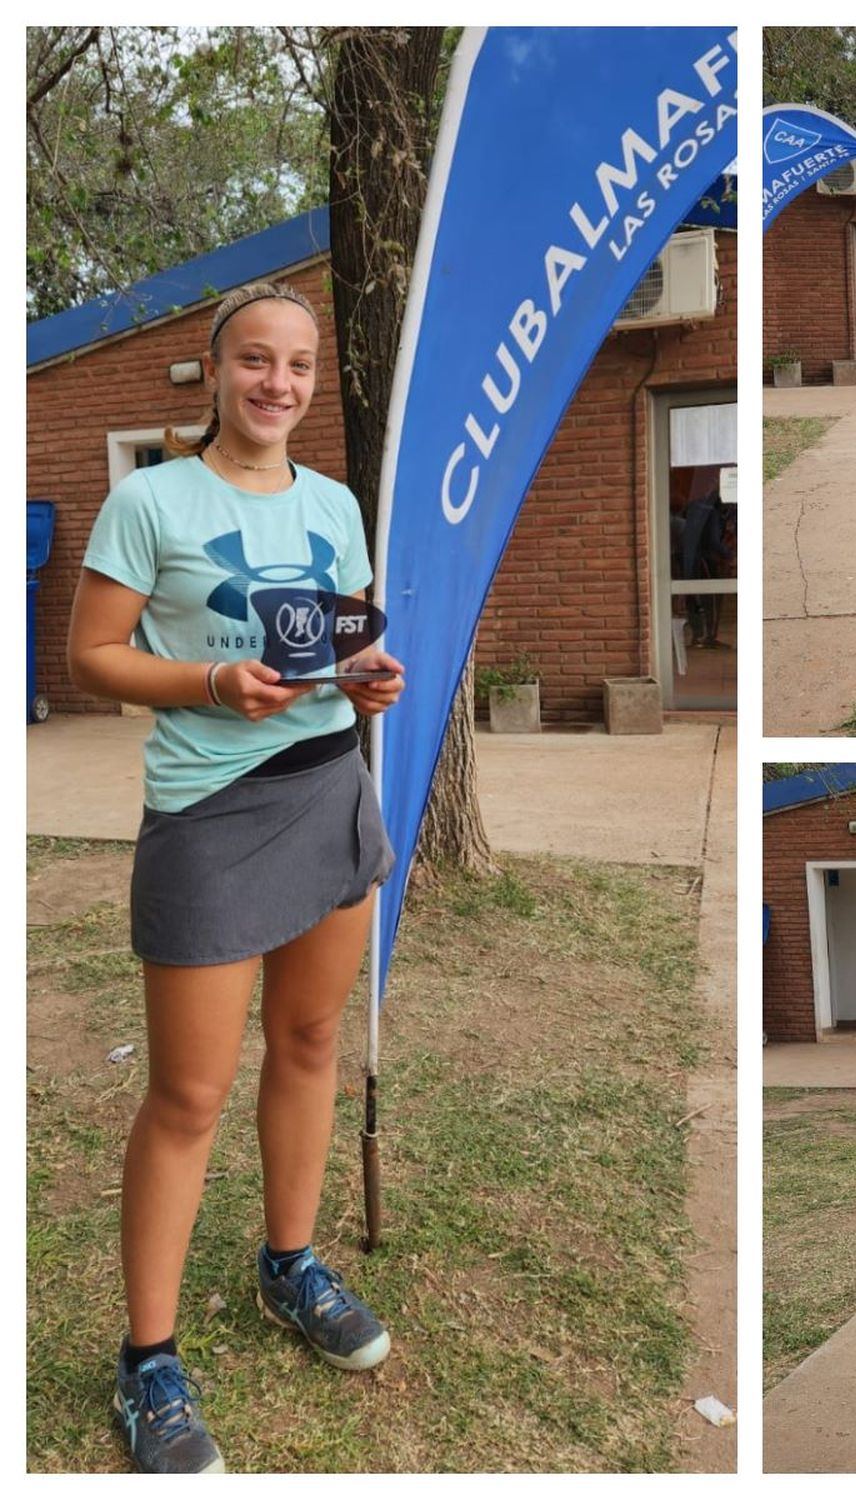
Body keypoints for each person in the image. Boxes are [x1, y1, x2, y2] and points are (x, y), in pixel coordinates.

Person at [67, 281, 406, 1474]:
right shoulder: (150, 498)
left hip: (330, 791)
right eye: (256, 361)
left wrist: (369, 678)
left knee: (309, 1045)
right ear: (214, 372)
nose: (278, 384)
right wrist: (212, 685)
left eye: (300, 367)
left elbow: (348, 638)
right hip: (209, 815)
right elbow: (92, 655)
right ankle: (148, 1363)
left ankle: (289, 1265)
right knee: (188, 1097)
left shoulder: (332, 500)